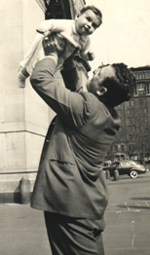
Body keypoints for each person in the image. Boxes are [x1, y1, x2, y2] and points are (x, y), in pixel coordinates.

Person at [30, 34, 135, 255]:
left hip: (69, 205)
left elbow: (40, 78)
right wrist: (70, 57)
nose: (93, 71)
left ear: (102, 90)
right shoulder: (107, 114)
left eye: (98, 73)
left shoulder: (85, 108)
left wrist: (51, 55)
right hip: (83, 204)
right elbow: (78, 90)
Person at [18, 5, 102, 88]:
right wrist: (44, 27)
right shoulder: (66, 25)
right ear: (78, 16)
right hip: (47, 50)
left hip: (59, 61)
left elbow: (83, 52)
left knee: (48, 72)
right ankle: (22, 76)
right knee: (33, 64)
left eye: (94, 25)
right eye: (88, 19)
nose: (89, 25)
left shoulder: (86, 40)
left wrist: (89, 55)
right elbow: (53, 23)